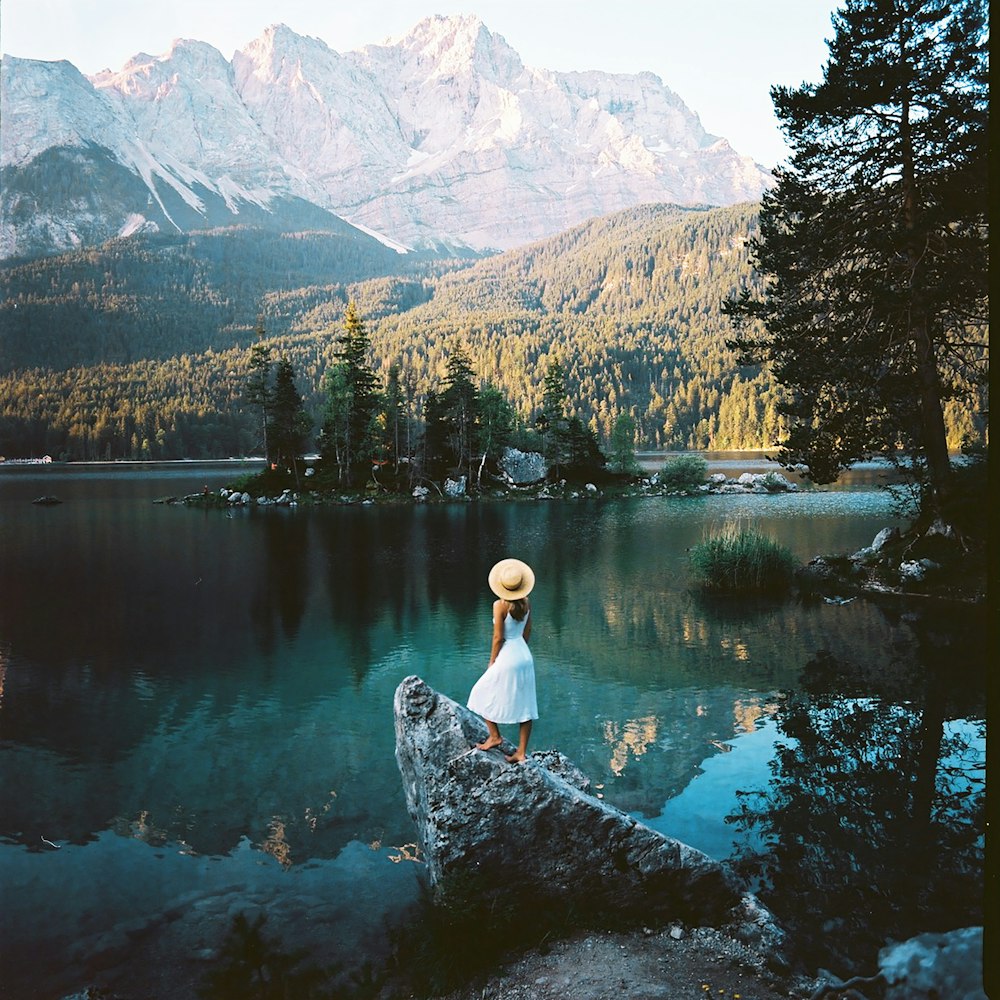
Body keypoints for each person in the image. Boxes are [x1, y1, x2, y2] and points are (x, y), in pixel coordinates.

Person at [467, 558, 538, 763]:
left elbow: (498, 637)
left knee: (480, 692)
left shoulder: (499, 604)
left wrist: (492, 661)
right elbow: (528, 630)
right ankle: (521, 753)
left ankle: (495, 736)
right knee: (526, 704)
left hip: (507, 655)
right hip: (524, 655)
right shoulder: (526, 602)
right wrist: (520, 648)